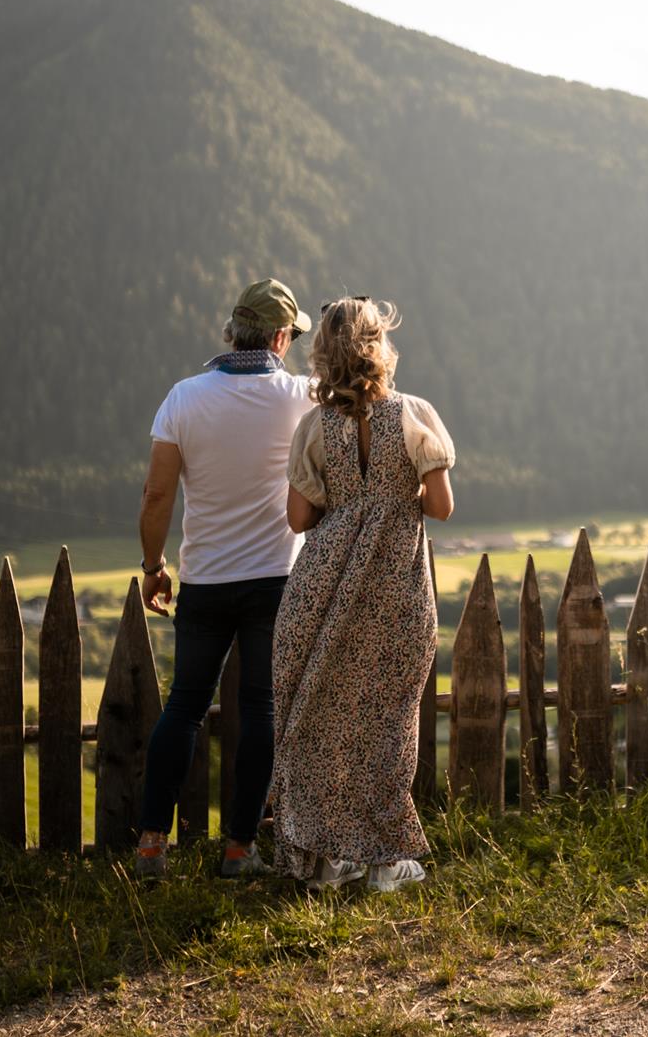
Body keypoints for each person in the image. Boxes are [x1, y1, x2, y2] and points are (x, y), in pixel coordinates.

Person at [270, 296, 455, 894]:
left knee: (321, 721)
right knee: (388, 722)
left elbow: (299, 519)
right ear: (380, 347)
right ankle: (385, 861)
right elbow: (442, 506)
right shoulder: (414, 414)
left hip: (323, 587)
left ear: (324, 355)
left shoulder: (314, 427)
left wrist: (349, 501)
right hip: (395, 586)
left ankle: (328, 859)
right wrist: (398, 494)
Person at [135, 278, 316, 879]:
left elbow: (157, 494)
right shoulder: (300, 396)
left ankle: (151, 844)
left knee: (185, 705)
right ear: (281, 338)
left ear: (233, 331)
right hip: (276, 579)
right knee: (260, 708)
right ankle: (240, 849)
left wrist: (154, 567)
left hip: (205, 580)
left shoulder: (183, 398)